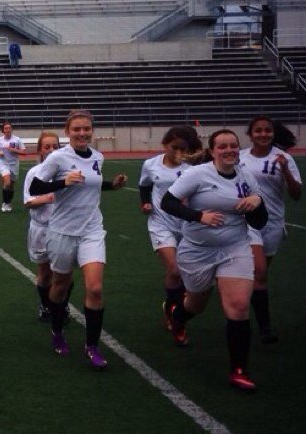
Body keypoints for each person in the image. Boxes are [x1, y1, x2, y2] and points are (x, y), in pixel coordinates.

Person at [160, 129, 268, 392]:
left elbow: (259, 222)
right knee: (196, 303)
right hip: (197, 250)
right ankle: (177, 316)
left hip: (235, 248)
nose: (229, 150)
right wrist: (199, 217)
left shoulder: (246, 177)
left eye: (233, 145)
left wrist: (258, 202)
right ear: (212, 150)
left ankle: (239, 370)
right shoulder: (198, 174)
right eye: (222, 146)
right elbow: (168, 202)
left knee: (238, 305)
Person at [27, 110, 126, 370]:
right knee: (60, 285)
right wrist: (63, 182)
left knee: (95, 288)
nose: (82, 133)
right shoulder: (58, 158)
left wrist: (112, 185)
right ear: (67, 131)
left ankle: (92, 346)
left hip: (92, 229)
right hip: (62, 230)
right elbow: (35, 188)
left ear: (92, 130)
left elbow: (91, 183)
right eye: (77, 129)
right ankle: (57, 331)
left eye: (86, 129)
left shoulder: (98, 157)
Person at [237, 116, 301, 343]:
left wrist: (285, 170)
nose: (263, 134)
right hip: (247, 222)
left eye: (267, 131)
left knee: (258, 276)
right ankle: (264, 328)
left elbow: (296, 194)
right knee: (260, 272)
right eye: (258, 130)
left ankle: (240, 306)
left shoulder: (284, 159)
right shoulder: (240, 157)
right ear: (250, 134)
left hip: (272, 222)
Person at [138, 126, 202, 337]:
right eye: (174, 147)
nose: (178, 152)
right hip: (160, 223)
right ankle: (175, 314)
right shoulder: (151, 165)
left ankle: (173, 305)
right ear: (165, 145)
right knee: (174, 270)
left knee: (186, 273)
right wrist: (145, 203)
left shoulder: (193, 167)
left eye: (183, 149)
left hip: (187, 224)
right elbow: (145, 186)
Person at [22, 131, 61, 322]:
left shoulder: (66, 173)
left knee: (63, 273)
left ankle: (60, 304)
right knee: (45, 273)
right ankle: (46, 305)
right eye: (47, 147)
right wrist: (47, 198)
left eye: (55, 146)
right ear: (40, 150)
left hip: (63, 229)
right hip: (41, 229)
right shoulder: (34, 174)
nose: (52, 150)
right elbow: (28, 202)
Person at [0, 121, 27, 213]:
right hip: (3, 163)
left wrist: (15, 150)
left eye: (9, 128)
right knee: (7, 182)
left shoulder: (17, 140)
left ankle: (8, 202)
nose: (7, 130)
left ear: (11, 129)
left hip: (14, 164)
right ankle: (5, 203)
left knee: (11, 186)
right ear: (3, 130)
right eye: (6, 128)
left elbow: (24, 152)